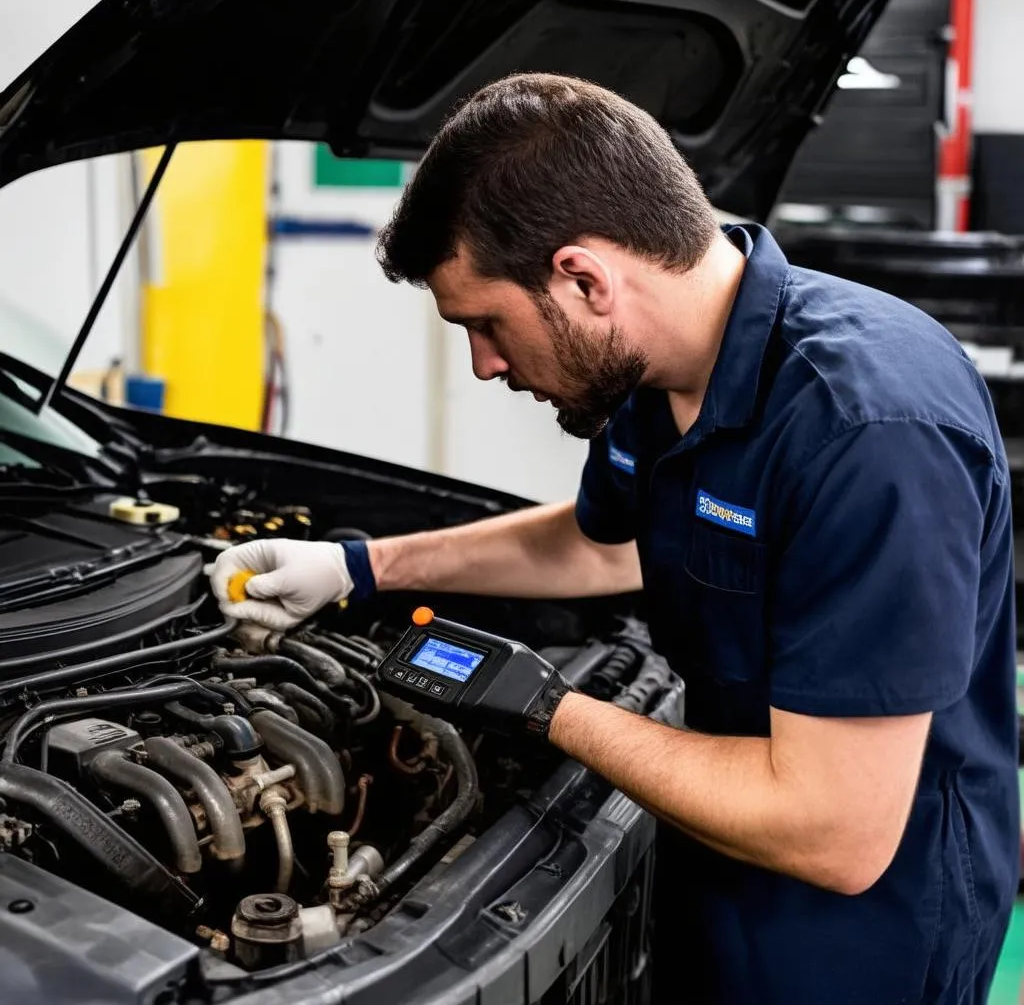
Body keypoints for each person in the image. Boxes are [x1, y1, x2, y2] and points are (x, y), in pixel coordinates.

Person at [210, 74, 1020, 1003]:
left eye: (485, 324)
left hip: (859, 938)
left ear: (584, 278)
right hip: (714, 859)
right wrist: (359, 567)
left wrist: (542, 703)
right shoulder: (654, 372)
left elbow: (832, 834)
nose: (484, 365)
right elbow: (605, 545)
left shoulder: (869, 431)